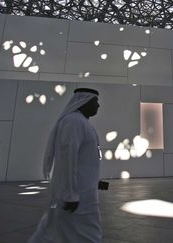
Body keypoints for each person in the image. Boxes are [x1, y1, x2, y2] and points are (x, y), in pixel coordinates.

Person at [28, 88, 104, 243]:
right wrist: (70, 194)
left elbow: (86, 160)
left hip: (83, 193)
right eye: (95, 102)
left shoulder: (81, 122)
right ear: (83, 102)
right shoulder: (73, 122)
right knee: (86, 235)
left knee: (51, 230)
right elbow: (67, 158)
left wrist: (96, 181)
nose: (98, 106)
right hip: (76, 196)